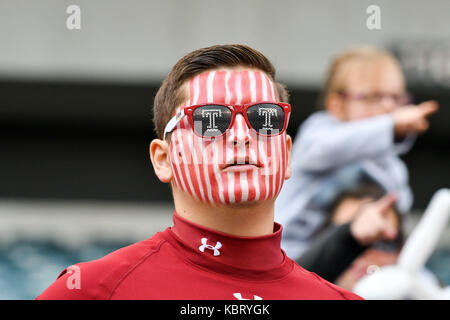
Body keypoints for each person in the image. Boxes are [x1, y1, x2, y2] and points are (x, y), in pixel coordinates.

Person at [36, 44, 362, 300]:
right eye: (210, 120)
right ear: (162, 159)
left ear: (287, 155)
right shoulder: (90, 291)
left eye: (265, 118)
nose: (240, 134)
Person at [275, 46, 439, 260]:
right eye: (374, 97)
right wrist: (391, 126)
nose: (389, 106)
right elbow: (330, 147)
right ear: (337, 105)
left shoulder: (393, 168)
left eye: (397, 98)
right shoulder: (318, 133)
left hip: (354, 268)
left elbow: (400, 223)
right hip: (293, 257)